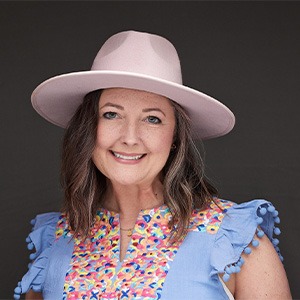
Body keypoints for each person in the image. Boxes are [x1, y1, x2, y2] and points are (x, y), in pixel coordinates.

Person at [14, 30, 291, 300]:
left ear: (175, 136)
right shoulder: (56, 239)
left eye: (152, 119)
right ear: (89, 128)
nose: (130, 137)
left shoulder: (234, 239)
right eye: (111, 114)